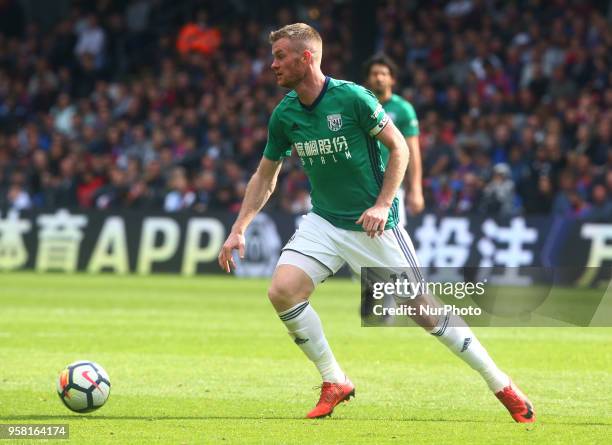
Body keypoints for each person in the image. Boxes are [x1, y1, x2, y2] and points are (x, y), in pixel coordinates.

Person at [218, 23, 535, 422]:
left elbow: (399, 146)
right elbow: (266, 175)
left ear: (307, 57)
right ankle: (335, 380)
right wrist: (239, 227)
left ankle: (500, 383)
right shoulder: (285, 113)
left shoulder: (351, 98)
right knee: (282, 291)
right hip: (325, 222)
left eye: (280, 56)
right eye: (273, 56)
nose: (272, 64)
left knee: (423, 309)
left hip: (374, 226)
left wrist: (384, 205)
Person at [364, 54, 425, 221]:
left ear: (392, 79)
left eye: (384, 74)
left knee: (392, 237)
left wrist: (416, 189)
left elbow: (413, 151)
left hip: (392, 185)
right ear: (368, 79)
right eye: (374, 74)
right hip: (362, 183)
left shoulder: (403, 109)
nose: (379, 78)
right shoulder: (361, 106)